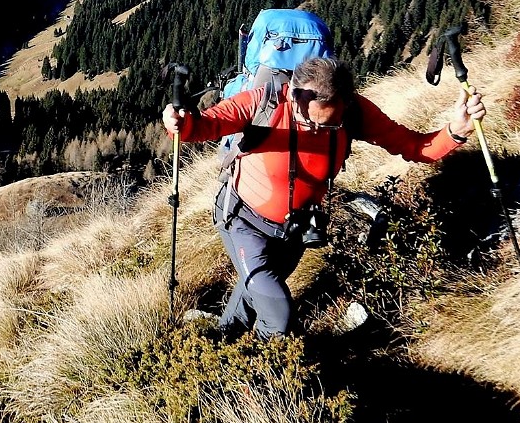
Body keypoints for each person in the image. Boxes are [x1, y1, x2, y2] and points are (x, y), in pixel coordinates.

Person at [162, 55, 486, 338]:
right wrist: (179, 122)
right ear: (293, 94)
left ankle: (222, 342)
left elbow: (413, 146)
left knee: (256, 291)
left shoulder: (353, 113)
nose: (318, 131)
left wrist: (455, 130)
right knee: (279, 314)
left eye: (330, 126)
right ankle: (252, 376)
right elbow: (205, 126)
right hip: (243, 221)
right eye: (310, 121)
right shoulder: (265, 103)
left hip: (295, 230)